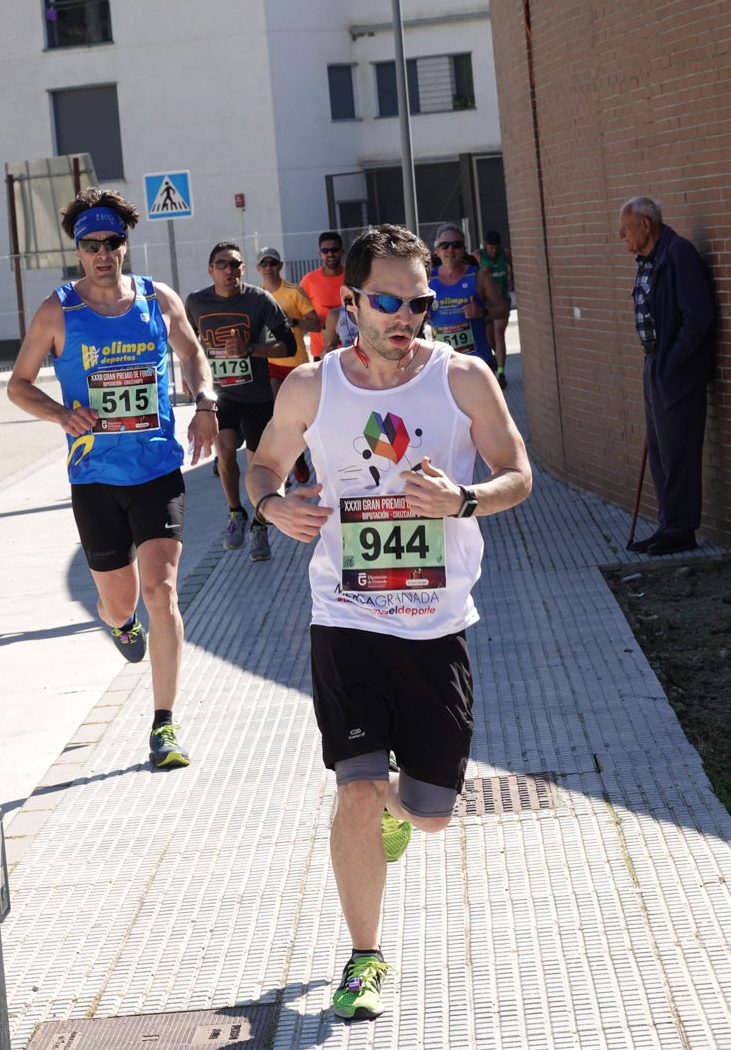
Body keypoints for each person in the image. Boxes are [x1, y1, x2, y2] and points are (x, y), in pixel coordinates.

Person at [246, 224, 531, 1021]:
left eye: (419, 303)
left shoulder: (463, 377)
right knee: (358, 788)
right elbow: (263, 462)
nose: (404, 318)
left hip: (435, 626)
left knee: (431, 815)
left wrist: (464, 500)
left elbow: (519, 473)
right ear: (353, 302)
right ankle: (364, 956)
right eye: (387, 302)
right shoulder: (311, 387)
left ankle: (398, 818)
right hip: (345, 615)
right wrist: (272, 504)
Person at [7, 186, 218, 770]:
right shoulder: (57, 311)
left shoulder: (158, 297)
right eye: (91, 244)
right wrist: (60, 413)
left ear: (126, 245)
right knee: (119, 603)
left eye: (113, 242)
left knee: (163, 591)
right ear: (78, 250)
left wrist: (205, 402)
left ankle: (164, 725)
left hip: (155, 467)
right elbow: (18, 384)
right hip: (95, 477)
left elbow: (194, 353)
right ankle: (122, 627)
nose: (104, 253)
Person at [185, 242, 297, 561]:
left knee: (259, 467)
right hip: (222, 396)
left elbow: (287, 345)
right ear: (211, 271)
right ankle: (236, 513)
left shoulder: (259, 300)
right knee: (224, 452)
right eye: (222, 265)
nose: (229, 270)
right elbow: (188, 345)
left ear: (243, 269)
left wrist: (250, 349)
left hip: (257, 396)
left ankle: (260, 524)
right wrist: (190, 378)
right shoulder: (196, 302)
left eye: (235, 265)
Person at [618, 197, 716, 556]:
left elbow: (700, 315)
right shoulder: (650, 258)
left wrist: (673, 362)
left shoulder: (679, 255)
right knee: (660, 449)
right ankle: (668, 525)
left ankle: (680, 530)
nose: (620, 235)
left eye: (626, 228)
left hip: (674, 368)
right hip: (654, 363)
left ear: (646, 225)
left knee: (677, 450)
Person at [256, 245, 318, 484]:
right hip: (271, 363)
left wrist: (293, 321)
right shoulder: (257, 295)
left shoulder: (293, 292)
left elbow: (315, 324)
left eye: (273, 263)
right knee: (277, 412)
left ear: (280, 265)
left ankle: (301, 452)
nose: (269, 268)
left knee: (301, 415)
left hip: (296, 364)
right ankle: (294, 460)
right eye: (264, 264)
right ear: (258, 268)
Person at [428, 223, 506, 375]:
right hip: (443, 365)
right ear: (437, 251)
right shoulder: (428, 279)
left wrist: (482, 312)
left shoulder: (479, 276)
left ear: (464, 250)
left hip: (476, 364)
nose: (450, 250)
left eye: (456, 245)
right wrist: (421, 315)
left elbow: (502, 309)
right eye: (445, 245)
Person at [475, 230, 514, 388]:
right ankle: (494, 362)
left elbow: (516, 267)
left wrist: (512, 281)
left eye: (496, 247)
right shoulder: (478, 256)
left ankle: (501, 373)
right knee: (490, 339)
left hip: (502, 301)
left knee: (499, 335)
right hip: (486, 304)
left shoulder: (505, 255)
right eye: (490, 248)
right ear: (485, 245)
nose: (493, 251)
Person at [300, 231, 346, 360]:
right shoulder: (309, 281)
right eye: (325, 251)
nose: (330, 254)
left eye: (334, 250)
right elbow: (301, 313)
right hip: (321, 351)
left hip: (350, 348)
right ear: (320, 254)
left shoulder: (353, 276)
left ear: (342, 252)